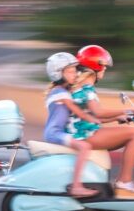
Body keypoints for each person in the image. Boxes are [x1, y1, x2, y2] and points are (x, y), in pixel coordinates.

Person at [74, 45, 134, 200]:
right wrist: (129, 110)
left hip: (83, 132)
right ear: (96, 67)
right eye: (103, 67)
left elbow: (95, 117)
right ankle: (124, 182)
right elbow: (99, 112)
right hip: (85, 135)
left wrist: (117, 118)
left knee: (129, 134)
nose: (105, 70)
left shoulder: (80, 87)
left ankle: (114, 181)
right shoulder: (87, 89)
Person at [43, 52, 104, 198]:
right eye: (70, 71)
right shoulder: (59, 92)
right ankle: (76, 187)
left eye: (75, 70)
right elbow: (78, 112)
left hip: (59, 131)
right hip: (55, 133)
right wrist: (94, 118)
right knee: (85, 146)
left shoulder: (64, 91)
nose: (75, 74)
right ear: (58, 74)